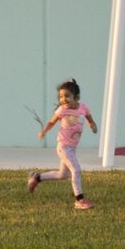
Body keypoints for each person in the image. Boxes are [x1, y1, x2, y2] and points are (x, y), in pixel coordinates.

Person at [27, 78, 96, 210]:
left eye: (67, 96)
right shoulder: (62, 110)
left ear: (76, 96)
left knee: (62, 175)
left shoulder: (83, 108)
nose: (63, 99)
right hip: (63, 146)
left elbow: (90, 119)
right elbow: (52, 122)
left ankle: (37, 178)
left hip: (72, 148)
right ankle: (79, 200)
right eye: (61, 97)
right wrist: (44, 132)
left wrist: (93, 126)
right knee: (76, 170)